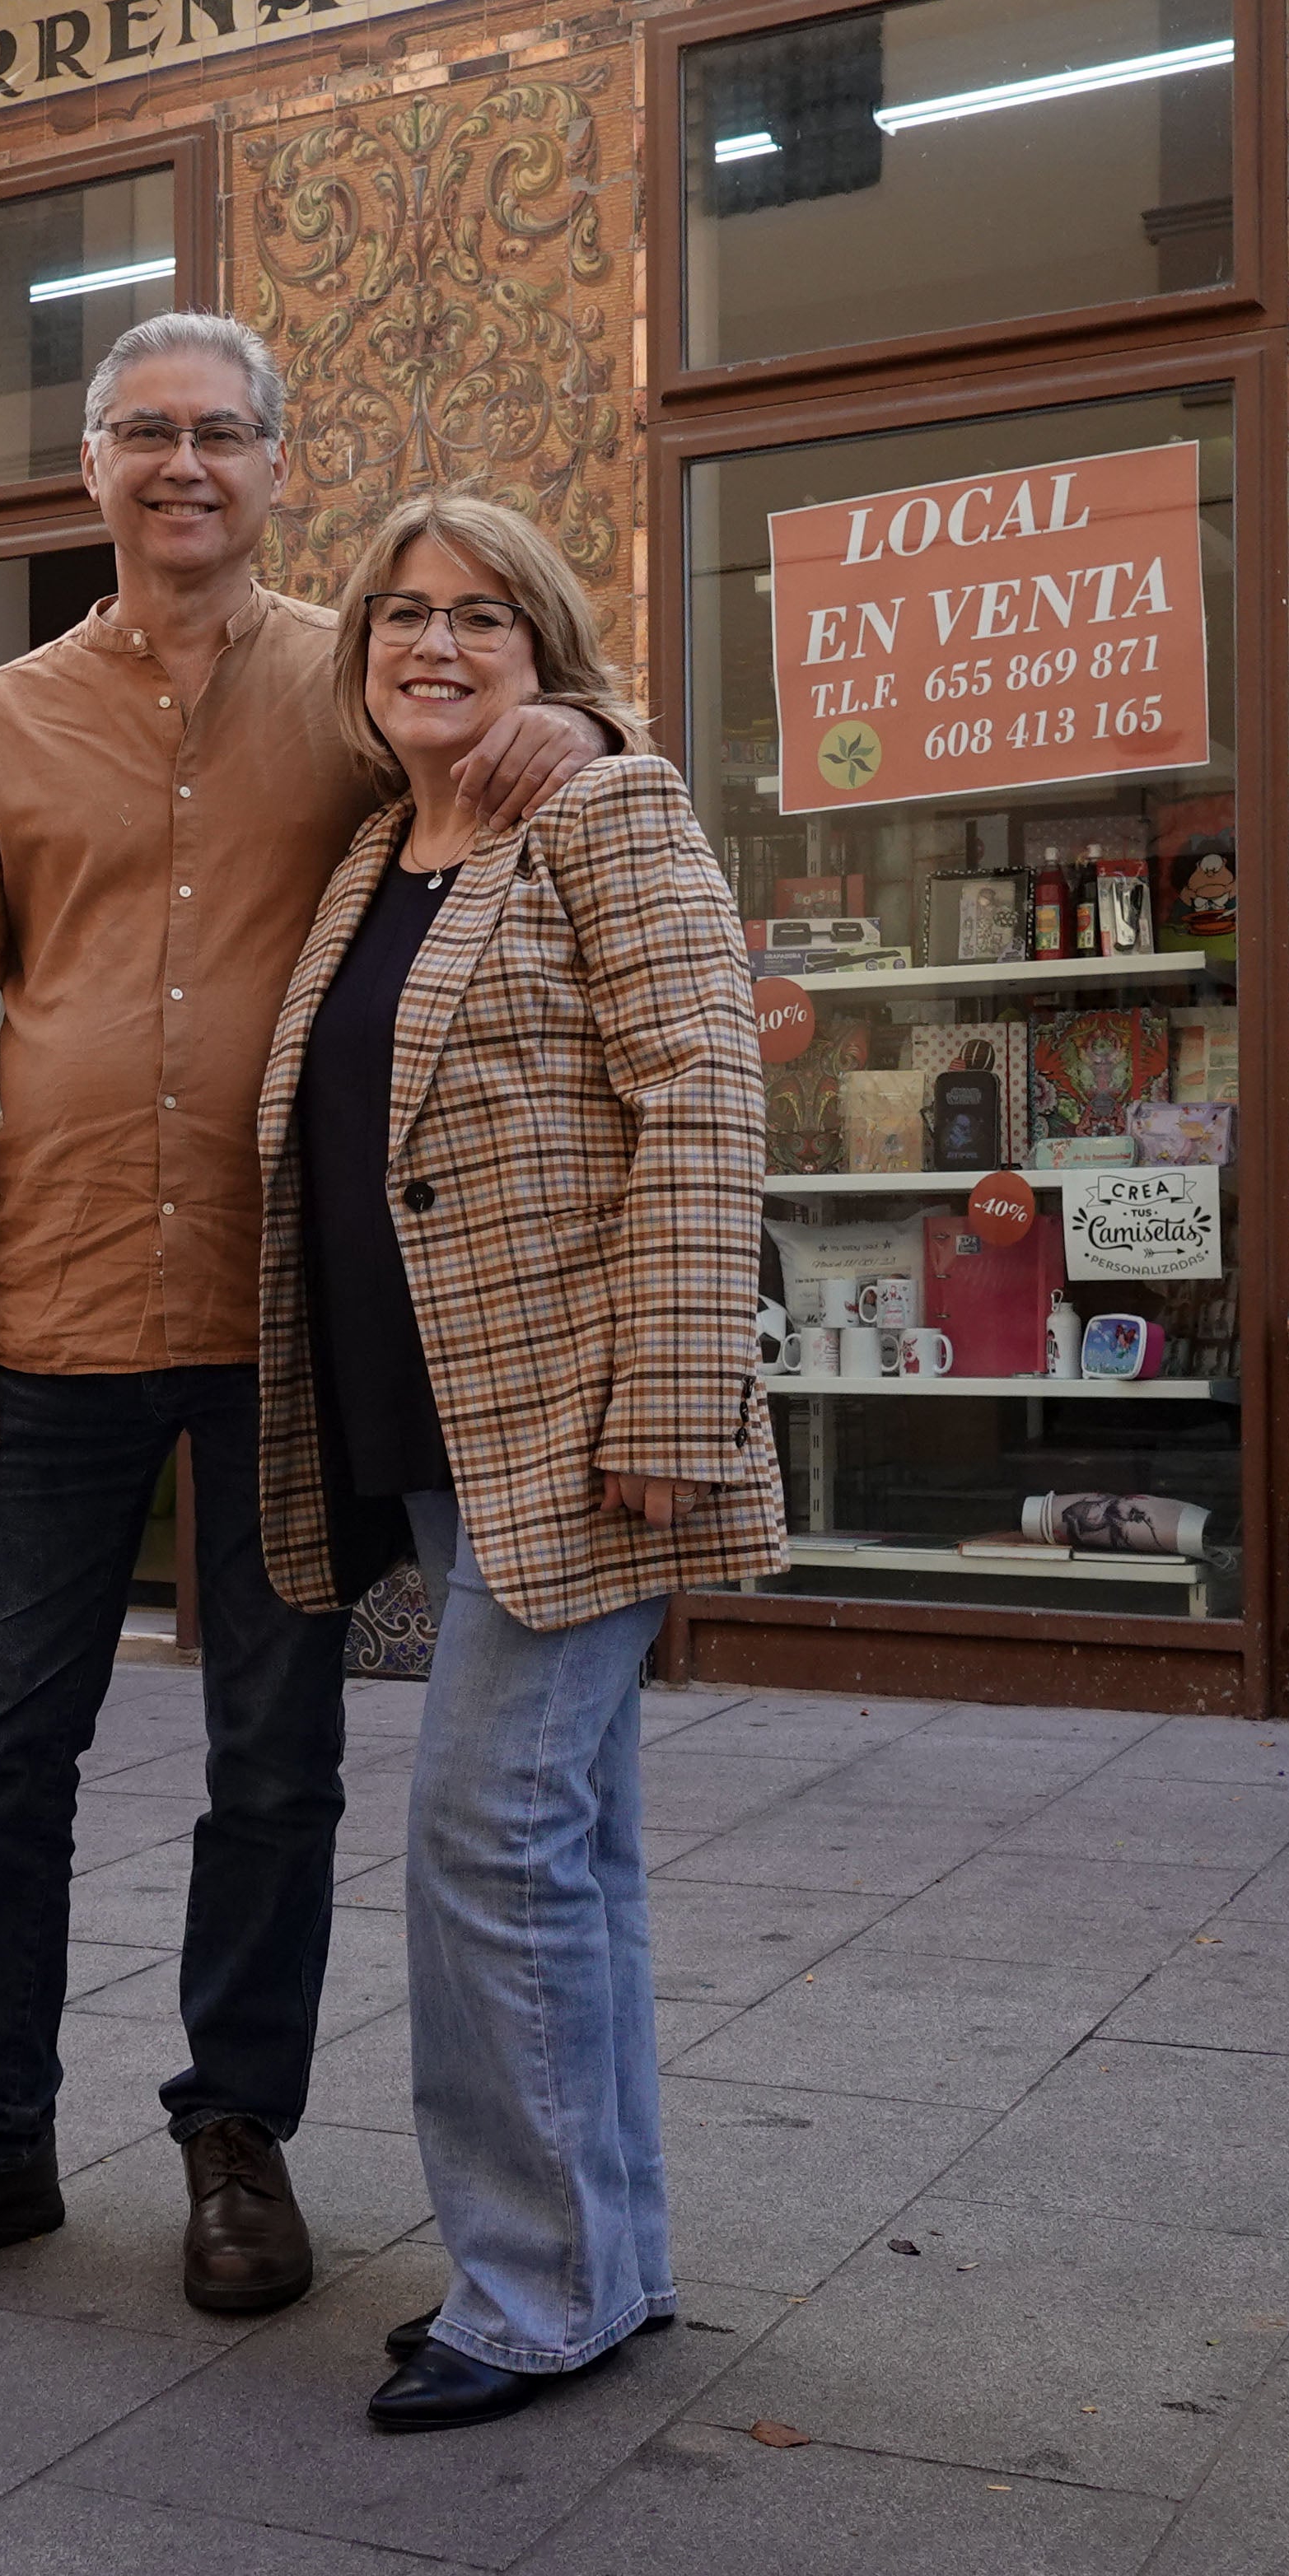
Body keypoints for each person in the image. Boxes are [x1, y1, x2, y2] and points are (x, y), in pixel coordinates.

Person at [0, 317, 631, 2318]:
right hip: (49, 1322)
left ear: (277, 466)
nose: (185, 465)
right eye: (146, 434)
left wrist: (590, 742)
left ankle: (233, 2137)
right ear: (90, 470)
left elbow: (528, 727)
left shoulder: (353, 690)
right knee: (1, 1750)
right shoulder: (0, 721)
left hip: (293, 1329)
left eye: (223, 435)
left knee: (276, 1763)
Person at [252, 492, 784, 2430]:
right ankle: (602, 2257)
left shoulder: (604, 807)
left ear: (543, 648)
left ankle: (530, 2287)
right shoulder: (383, 849)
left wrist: (670, 1396)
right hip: (425, 1425)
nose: (434, 646)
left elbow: (702, 1088)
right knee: (567, 1850)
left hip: (571, 1422)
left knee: (482, 1841)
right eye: (400, 615)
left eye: (482, 617)